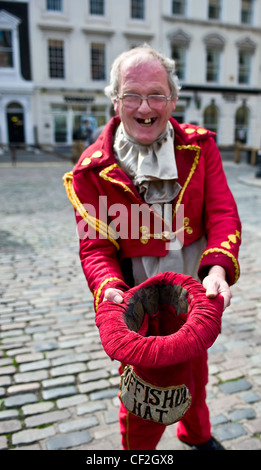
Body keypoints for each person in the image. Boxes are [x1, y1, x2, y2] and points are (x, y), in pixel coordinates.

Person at [63, 44, 241, 450]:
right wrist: (108, 287)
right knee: (143, 397)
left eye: (157, 94)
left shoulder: (201, 146)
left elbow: (223, 214)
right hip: (138, 304)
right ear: (115, 101)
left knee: (196, 372)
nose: (145, 106)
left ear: (173, 100)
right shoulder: (92, 170)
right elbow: (95, 249)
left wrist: (216, 270)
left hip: (195, 296)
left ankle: (197, 436)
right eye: (132, 95)